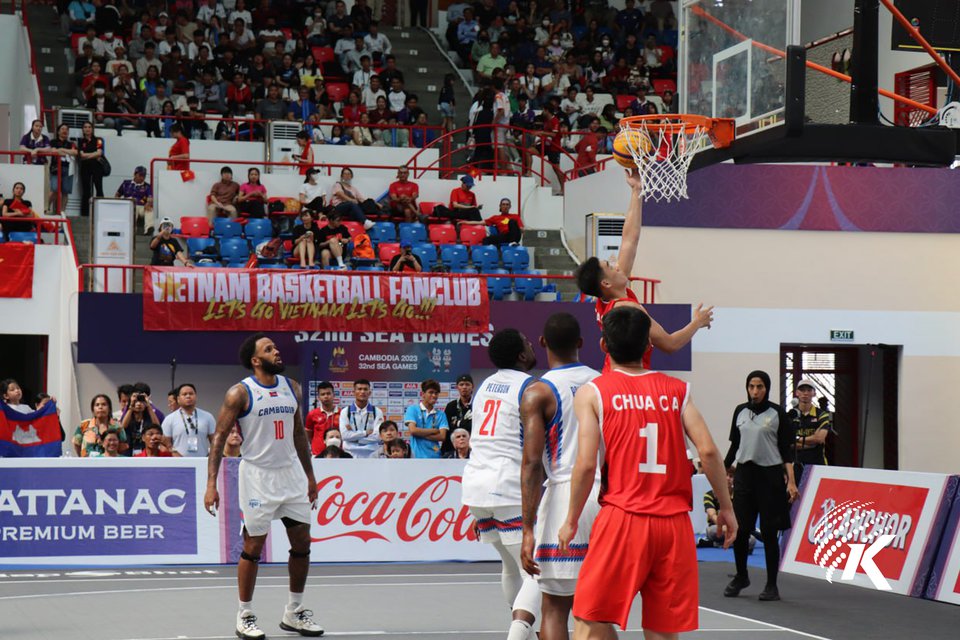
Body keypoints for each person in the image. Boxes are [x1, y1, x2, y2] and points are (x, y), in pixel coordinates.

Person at [559, 307, 736, 639]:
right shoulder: (678, 390)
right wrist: (726, 507)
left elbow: (585, 464)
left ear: (603, 346)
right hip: (674, 526)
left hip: (623, 517)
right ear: (648, 346)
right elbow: (709, 451)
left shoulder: (594, 391)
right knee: (662, 630)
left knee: (589, 618)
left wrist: (570, 519)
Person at [204, 333, 323, 639]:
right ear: (256, 360)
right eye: (269, 349)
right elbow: (219, 439)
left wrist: (310, 476)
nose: (277, 351)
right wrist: (210, 484)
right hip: (257, 476)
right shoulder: (239, 394)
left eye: (275, 346)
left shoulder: (291, 387)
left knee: (302, 543)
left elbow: (299, 435)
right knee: (253, 546)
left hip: (292, 475)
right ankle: (245, 615)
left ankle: (294, 612)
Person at [573, 168, 714, 372]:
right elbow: (670, 344)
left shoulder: (607, 298)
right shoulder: (628, 310)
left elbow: (630, 239)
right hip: (627, 382)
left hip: (613, 376)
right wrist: (697, 323)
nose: (614, 263)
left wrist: (636, 190)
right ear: (606, 283)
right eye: (609, 266)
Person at [517, 312, 600, 640]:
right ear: (581, 343)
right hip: (605, 497)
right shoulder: (604, 383)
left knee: (553, 608)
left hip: (565, 497)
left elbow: (532, 464)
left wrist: (526, 528)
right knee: (596, 608)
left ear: (542, 343)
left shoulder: (539, 392)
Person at [462, 329, 540, 640]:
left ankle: (525, 630)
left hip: (475, 487)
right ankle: (517, 635)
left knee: (510, 566)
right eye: (527, 342)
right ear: (521, 355)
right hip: (506, 484)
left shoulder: (483, 387)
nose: (532, 344)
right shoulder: (530, 387)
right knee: (536, 572)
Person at [723, 370, 799, 602]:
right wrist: (722, 469)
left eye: (760, 387)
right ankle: (741, 576)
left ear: (767, 388)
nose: (755, 391)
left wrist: (791, 482)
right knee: (741, 530)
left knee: (768, 531)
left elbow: (787, 451)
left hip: (770, 477)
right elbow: (735, 446)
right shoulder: (740, 411)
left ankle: (771, 585)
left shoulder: (777, 414)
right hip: (745, 475)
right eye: (751, 387)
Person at [789, 377, 832, 485]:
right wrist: (810, 443)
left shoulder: (822, 414)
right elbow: (787, 443)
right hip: (795, 465)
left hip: (818, 464)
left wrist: (797, 439)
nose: (805, 393)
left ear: (814, 393)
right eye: (802, 390)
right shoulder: (790, 416)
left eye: (809, 390)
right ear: (797, 393)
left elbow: (820, 438)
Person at [701, 471, 755, 551]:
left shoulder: (739, 495)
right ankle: (732, 542)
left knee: (752, 540)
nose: (728, 478)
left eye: (731, 476)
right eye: (725, 475)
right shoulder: (709, 494)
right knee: (711, 531)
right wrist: (723, 527)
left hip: (735, 527)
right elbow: (712, 514)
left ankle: (715, 543)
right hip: (717, 527)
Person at [162, 383, 216, 457]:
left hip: (203, 462)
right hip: (179, 463)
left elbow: (215, 442)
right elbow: (164, 445)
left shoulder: (208, 417)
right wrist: (175, 454)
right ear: (178, 399)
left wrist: (210, 457)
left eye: (191, 394)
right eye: (184, 394)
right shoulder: (169, 419)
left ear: (196, 397)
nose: (188, 396)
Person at [338, 379, 384, 458]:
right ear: (354, 392)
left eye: (365, 389)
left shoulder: (377, 411)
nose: (362, 392)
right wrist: (365, 433)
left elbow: (378, 436)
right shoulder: (345, 412)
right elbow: (345, 436)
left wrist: (355, 439)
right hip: (350, 453)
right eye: (359, 389)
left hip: (372, 453)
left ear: (369, 393)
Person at [404, 379, 449, 459]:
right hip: (416, 456)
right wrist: (434, 431)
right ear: (423, 394)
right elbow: (413, 430)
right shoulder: (412, 409)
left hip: (435, 456)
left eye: (436, 393)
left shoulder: (441, 414)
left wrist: (420, 433)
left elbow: (442, 436)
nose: (434, 395)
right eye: (431, 392)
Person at [459, 197, 523, 246]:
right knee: (486, 240)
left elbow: (521, 228)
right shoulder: (495, 217)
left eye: (507, 205)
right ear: (500, 206)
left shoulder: (515, 216)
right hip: (505, 236)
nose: (505, 206)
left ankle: (513, 243)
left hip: (515, 235)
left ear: (510, 206)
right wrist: (466, 222)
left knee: (512, 221)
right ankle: (487, 256)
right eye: (503, 204)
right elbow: (480, 222)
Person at [115, 166, 155, 235]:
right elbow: (117, 195)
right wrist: (119, 204)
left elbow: (150, 198)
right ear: (135, 174)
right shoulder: (126, 183)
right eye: (140, 175)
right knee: (133, 208)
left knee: (150, 209)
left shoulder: (147, 186)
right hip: (128, 206)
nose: (142, 178)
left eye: (144, 176)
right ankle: (132, 230)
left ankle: (149, 229)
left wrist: (148, 203)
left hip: (142, 207)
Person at [120, 389, 162, 455]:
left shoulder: (148, 416)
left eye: (141, 401)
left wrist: (148, 406)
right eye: (136, 401)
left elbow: (157, 426)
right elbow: (123, 426)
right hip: (128, 452)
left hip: (145, 453)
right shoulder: (128, 415)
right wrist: (131, 406)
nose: (139, 404)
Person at [48, 123, 78, 215]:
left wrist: (61, 150)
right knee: (54, 189)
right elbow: (53, 151)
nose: (65, 131)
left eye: (66, 129)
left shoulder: (71, 143)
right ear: (58, 131)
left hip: (68, 168)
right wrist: (67, 152)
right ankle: (47, 208)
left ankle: (62, 212)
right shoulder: (53, 141)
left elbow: (75, 152)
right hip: (55, 168)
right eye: (62, 129)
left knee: (65, 191)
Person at [77, 121, 105, 218]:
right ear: (83, 129)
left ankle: (101, 213)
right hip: (85, 168)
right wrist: (93, 155)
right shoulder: (80, 141)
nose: (87, 129)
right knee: (86, 191)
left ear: (92, 129)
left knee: (99, 189)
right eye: (85, 127)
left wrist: (87, 156)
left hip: (97, 167)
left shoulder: (98, 140)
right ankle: (85, 214)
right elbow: (81, 155)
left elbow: (99, 153)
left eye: (89, 127)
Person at [442, 374, 473, 455]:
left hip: (472, 449)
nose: (464, 387)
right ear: (457, 387)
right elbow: (448, 428)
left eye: (467, 384)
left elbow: (475, 426)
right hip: (451, 449)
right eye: (461, 384)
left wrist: (458, 423)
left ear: (472, 386)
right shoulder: (451, 406)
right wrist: (465, 423)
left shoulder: (478, 405)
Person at [305, 381, 339, 456]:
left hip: (338, 454)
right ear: (319, 397)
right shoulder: (312, 414)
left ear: (333, 395)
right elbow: (308, 434)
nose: (326, 396)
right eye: (323, 394)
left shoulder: (342, 413)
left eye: (328, 393)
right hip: (317, 454)